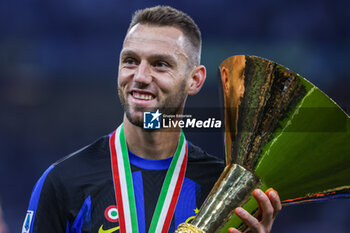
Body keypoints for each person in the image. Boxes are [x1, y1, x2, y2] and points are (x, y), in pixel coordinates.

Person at [23, 6, 281, 233]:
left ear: (195, 79)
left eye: (160, 64)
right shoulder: (63, 181)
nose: (141, 76)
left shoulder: (223, 189)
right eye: (130, 61)